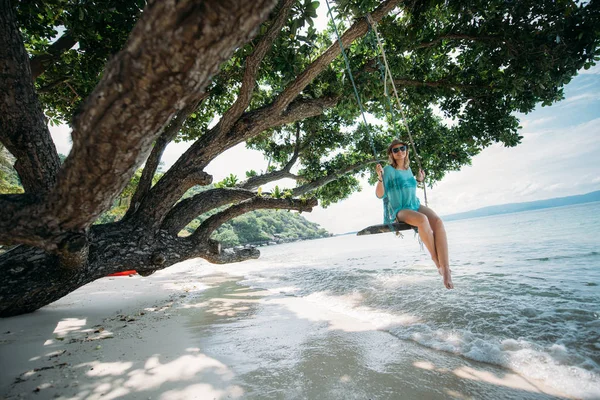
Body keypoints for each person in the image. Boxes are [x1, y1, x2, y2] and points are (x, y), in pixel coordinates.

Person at [375, 139, 454, 289]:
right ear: (391, 154)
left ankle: (446, 268)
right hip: (400, 209)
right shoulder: (388, 170)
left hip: (414, 204)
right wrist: (380, 177)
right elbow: (380, 194)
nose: (400, 151)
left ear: (406, 150)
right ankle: (437, 263)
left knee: (438, 222)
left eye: (402, 148)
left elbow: (407, 187)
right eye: (395, 150)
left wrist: (418, 179)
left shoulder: (408, 169)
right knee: (423, 220)